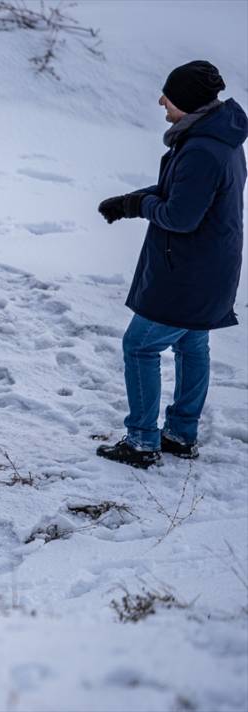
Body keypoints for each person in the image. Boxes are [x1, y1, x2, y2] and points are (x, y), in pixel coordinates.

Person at [96, 60, 245, 468]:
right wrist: (130, 202)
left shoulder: (202, 149)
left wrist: (142, 204)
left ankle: (143, 441)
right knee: (191, 342)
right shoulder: (220, 138)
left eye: (169, 95)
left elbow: (181, 217)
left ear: (189, 102)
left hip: (188, 271)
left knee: (140, 345)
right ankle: (180, 433)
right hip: (210, 266)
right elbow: (179, 194)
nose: (161, 100)